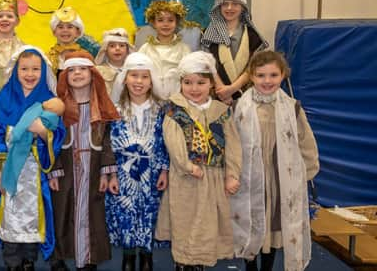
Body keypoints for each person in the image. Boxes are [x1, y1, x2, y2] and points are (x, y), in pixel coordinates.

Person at [230, 50, 319, 271]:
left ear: (283, 75)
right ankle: (250, 266)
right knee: (251, 221)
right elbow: (231, 145)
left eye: (273, 75)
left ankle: (267, 267)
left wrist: (307, 171)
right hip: (250, 176)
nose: (267, 81)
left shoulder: (292, 108)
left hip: (280, 176)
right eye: (261, 75)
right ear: (251, 76)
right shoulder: (239, 107)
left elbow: (305, 141)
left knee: (275, 224)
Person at [155, 51, 242, 271]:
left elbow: (233, 145)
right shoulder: (174, 109)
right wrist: (187, 166)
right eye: (188, 83)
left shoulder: (221, 111)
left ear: (211, 84)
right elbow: (173, 142)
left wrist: (232, 174)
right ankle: (183, 262)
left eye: (201, 83)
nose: (194, 88)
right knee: (185, 221)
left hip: (213, 177)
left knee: (206, 223)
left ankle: (200, 263)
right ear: (181, 83)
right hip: (186, 177)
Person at [0, 46, 66, 271]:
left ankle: (29, 260)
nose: (30, 74)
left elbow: (58, 134)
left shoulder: (49, 99)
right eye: (24, 69)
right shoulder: (5, 97)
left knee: (33, 215)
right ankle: (12, 262)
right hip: (9, 167)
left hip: (35, 172)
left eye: (35, 69)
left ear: (44, 72)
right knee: (10, 214)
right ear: (15, 70)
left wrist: (42, 132)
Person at [49, 51, 121, 271]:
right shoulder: (57, 107)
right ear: (65, 75)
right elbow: (50, 141)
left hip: (93, 167)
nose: (77, 73)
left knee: (92, 213)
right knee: (62, 212)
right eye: (71, 70)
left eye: (82, 69)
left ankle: (88, 259)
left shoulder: (102, 106)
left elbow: (108, 140)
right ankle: (60, 257)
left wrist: (106, 172)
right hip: (67, 168)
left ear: (92, 74)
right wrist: (54, 170)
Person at [105, 53, 169, 271]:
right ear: (125, 78)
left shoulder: (162, 109)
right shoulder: (115, 110)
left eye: (144, 77)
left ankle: (147, 255)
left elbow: (164, 141)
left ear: (152, 81)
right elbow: (110, 143)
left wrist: (164, 170)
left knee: (150, 211)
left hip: (152, 171)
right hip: (123, 172)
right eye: (134, 76)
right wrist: (112, 173)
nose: (139, 81)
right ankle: (129, 256)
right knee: (126, 212)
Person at [200, 0, 268, 104]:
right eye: (225, 4)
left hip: (247, 97)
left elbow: (253, 67)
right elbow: (206, 64)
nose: (229, 8)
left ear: (242, 7)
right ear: (219, 7)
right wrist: (222, 91)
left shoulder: (253, 36)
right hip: (217, 97)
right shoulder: (207, 34)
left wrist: (232, 89)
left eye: (235, 4)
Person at [138, 0, 190, 90]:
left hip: (176, 94)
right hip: (150, 93)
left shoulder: (183, 49)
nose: (165, 24)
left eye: (170, 20)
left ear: (176, 23)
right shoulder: (146, 48)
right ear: (154, 23)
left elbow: (190, 73)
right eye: (160, 20)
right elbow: (137, 70)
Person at [0, 0, 25, 92]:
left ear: (17, 21)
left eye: (9, 16)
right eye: (0, 16)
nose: (4, 19)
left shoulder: (25, 49)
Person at [94, 27, 134, 96]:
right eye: (112, 46)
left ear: (128, 49)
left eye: (122, 45)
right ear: (105, 50)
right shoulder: (98, 71)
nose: (117, 48)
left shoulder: (134, 70)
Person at [47, 7, 85, 76]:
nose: (65, 30)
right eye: (60, 27)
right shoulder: (48, 57)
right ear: (54, 32)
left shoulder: (84, 56)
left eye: (70, 27)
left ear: (78, 32)